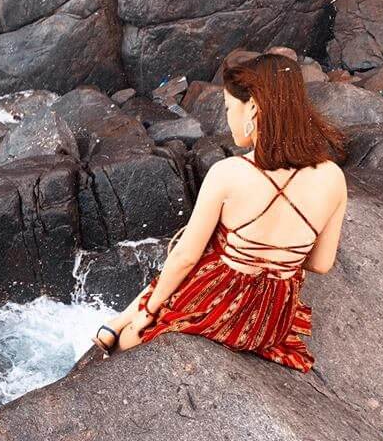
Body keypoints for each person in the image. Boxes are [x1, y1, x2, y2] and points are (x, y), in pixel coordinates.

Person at [91, 53, 348, 373]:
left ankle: (124, 320)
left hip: (222, 306)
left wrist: (148, 313)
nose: (228, 118)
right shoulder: (333, 177)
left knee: (131, 336)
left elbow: (186, 257)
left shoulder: (229, 173)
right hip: (271, 323)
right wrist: (280, 253)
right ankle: (121, 318)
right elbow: (321, 263)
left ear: (253, 107)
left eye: (229, 109)